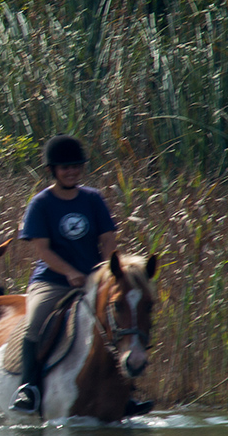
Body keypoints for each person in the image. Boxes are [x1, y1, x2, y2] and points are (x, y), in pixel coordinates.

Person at [10, 135, 154, 416]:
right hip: (51, 280)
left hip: (94, 279)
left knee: (117, 325)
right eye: (65, 167)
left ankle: (126, 393)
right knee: (35, 324)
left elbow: (108, 240)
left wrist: (108, 273)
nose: (71, 171)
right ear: (52, 170)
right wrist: (70, 272)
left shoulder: (93, 199)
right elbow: (42, 250)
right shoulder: (41, 203)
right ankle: (28, 387)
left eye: (76, 166)